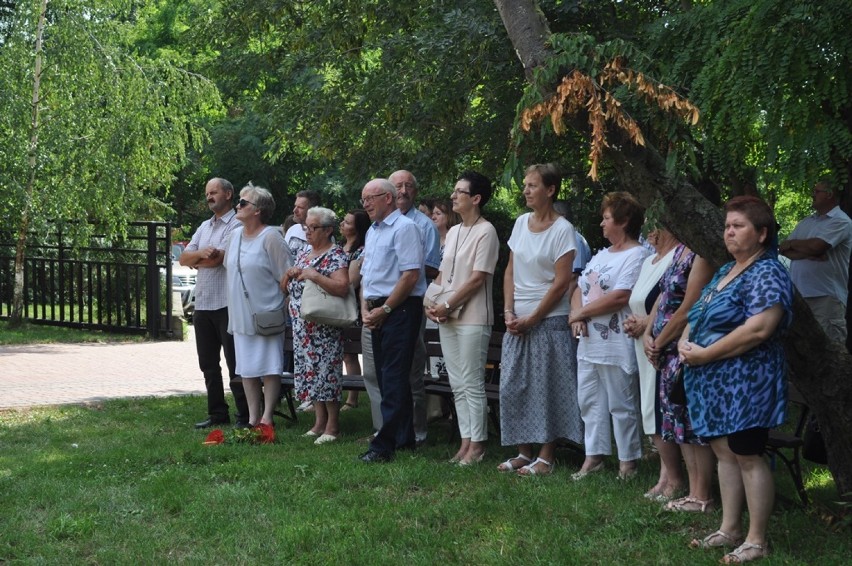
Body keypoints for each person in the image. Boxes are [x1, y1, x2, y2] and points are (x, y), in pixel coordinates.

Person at [680, 196, 793, 564]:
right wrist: (685, 341)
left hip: (748, 382)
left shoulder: (768, 272)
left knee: (747, 454)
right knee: (723, 453)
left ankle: (756, 540)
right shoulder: (726, 269)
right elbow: (698, 312)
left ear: (762, 233)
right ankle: (729, 528)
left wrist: (706, 353)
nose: (729, 231)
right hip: (712, 383)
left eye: (738, 225)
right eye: (727, 225)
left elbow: (759, 328)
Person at [498, 163, 582, 476]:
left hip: (548, 319)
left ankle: (546, 456)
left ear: (550, 189)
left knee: (548, 387)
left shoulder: (563, 230)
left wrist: (533, 317)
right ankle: (523, 451)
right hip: (517, 318)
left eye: (532, 185)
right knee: (514, 385)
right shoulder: (520, 223)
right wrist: (509, 311)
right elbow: (510, 270)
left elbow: (561, 283)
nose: (526, 190)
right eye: (525, 184)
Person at [570, 192, 649, 480]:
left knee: (621, 402)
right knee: (589, 399)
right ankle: (594, 456)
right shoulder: (602, 254)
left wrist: (580, 314)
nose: (601, 224)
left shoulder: (637, 254)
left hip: (616, 342)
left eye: (606, 218)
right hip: (590, 342)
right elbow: (579, 288)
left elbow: (621, 296)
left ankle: (628, 461)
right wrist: (578, 313)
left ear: (624, 220)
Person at [424, 171, 499, 466]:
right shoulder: (453, 232)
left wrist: (448, 304)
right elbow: (444, 273)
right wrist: (431, 303)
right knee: (456, 382)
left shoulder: (487, 231)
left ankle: (478, 445)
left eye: (459, 192)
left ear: (476, 198)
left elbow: (478, 278)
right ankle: (465, 442)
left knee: (471, 382)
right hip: (447, 316)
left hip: (473, 316)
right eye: (454, 191)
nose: (453, 196)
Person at [358, 178, 425, 463]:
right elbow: (367, 276)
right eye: (363, 200)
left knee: (395, 376)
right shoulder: (373, 231)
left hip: (399, 310)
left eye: (370, 198)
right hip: (377, 310)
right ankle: (403, 438)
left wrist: (384, 310)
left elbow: (410, 276)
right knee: (387, 378)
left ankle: (382, 446)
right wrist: (365, 308)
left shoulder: (405, 228)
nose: (366, 204)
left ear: (388, 198)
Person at [646, 238, 715, 512]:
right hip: (665, 350)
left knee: (691, 424)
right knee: (678, 425)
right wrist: (649, 335)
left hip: (684, 349)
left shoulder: (701, 252)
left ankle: (702, 496)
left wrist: (660, 341)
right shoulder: (680, 249)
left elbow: (688, 307)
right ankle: (692, 492)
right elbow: (663, 294)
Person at [182, 178, 250, 429]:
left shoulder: (236, 224)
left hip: (227, 304)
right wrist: (201, 254)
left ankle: (245, 415)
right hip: (203, 305)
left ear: (229, 194)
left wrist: (198, 258)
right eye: (207, 193)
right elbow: (184, 259)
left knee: (236, 364)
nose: (209, 197)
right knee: (208, 365)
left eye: (214, 192)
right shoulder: (204, 226)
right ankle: (217, 413)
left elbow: (219, 259)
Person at [224, 184, 292, 428]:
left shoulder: (271, 237)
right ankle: (253, 418)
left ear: (258, 211)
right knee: (246, 368)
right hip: (241, 313)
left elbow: (286, 276)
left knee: (269, 366)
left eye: (243, 203)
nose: (237, 206)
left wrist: (281, 305)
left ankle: (267, 417)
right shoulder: (234, 236)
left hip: (266, 313)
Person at [283, 207, 350, 444]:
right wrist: (290, 274)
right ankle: (319, 422)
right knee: (310, 375)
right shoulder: (304, 253)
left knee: (326, 374)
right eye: (306, 227)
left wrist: (315, 275)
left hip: (323, 329)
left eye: (313, 227)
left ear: (328, 230)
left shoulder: (336, 255)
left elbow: (342, 287)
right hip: (303, 328)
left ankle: (332, 426)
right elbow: (285, 288)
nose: (307, 232)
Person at [622, 226, 678, 493]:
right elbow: (640, 301)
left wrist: (646, 323)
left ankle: (670, 478)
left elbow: (669, 299)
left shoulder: (678, 255)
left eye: (656, 227)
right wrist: (635, 322)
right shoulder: (648, 261)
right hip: (641, 340)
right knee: (649, 408)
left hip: (661, 342)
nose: (649, 232)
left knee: (658, 408)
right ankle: (665, 475)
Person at [390, 169, 442, 446]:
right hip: (384, 304)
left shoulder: (424, 225)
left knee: (412, 371)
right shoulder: (380, 225)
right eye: (398, 185)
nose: (403, 190)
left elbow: (432, 268)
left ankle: (417, 431)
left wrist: (406, 269)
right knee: (385, 371)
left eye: (409, 185)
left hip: (410, 304)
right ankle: (388, 428)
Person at [780, 180, 852, 345]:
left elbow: (817, 246)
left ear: (829, 194)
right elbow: (785, 250)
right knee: (803, 350)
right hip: (799, 295)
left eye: (817, 191)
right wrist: (810, 251)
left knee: (828, 350)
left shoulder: (841, 221)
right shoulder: (807, 222)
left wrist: (800, 246)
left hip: (826, 297)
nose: (812, 194)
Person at [283, 189, 320, 412]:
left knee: (313, 351)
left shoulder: (322, 234)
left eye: (300, 206)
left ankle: (316, 398)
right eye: (295, 205)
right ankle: (305, 394)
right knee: (299, 352)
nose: (295, 209)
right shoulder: (294, 230)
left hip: (312, 304)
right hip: (293, 303)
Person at [340, 209, 371, 412]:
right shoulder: (339, 247)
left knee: (352, 353)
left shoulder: (361, 250)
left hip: (354, 308)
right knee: (344, 353)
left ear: (357, 228)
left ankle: (353, 399)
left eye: (348, 222)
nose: (342, 224)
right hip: (337, 307)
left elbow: (351, 281)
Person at [284, 190, 321, 259]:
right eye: (295, 206)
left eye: (300, 207)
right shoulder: (293, 229)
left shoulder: (323, 235)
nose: (294, 210)